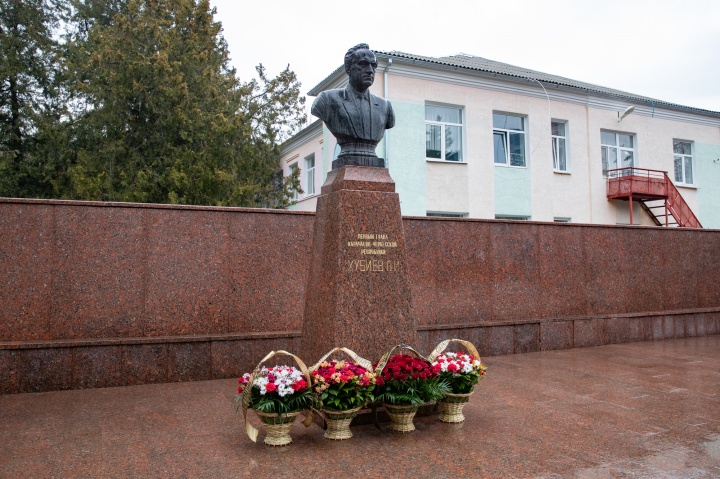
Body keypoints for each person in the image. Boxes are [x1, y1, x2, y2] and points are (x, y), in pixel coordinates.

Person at [311, 43, 395, 169]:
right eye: (363, 64)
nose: (370, 70)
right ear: (348, 69)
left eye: (373, 65)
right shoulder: (327, 100)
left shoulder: (385, 107)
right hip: (346, 158)